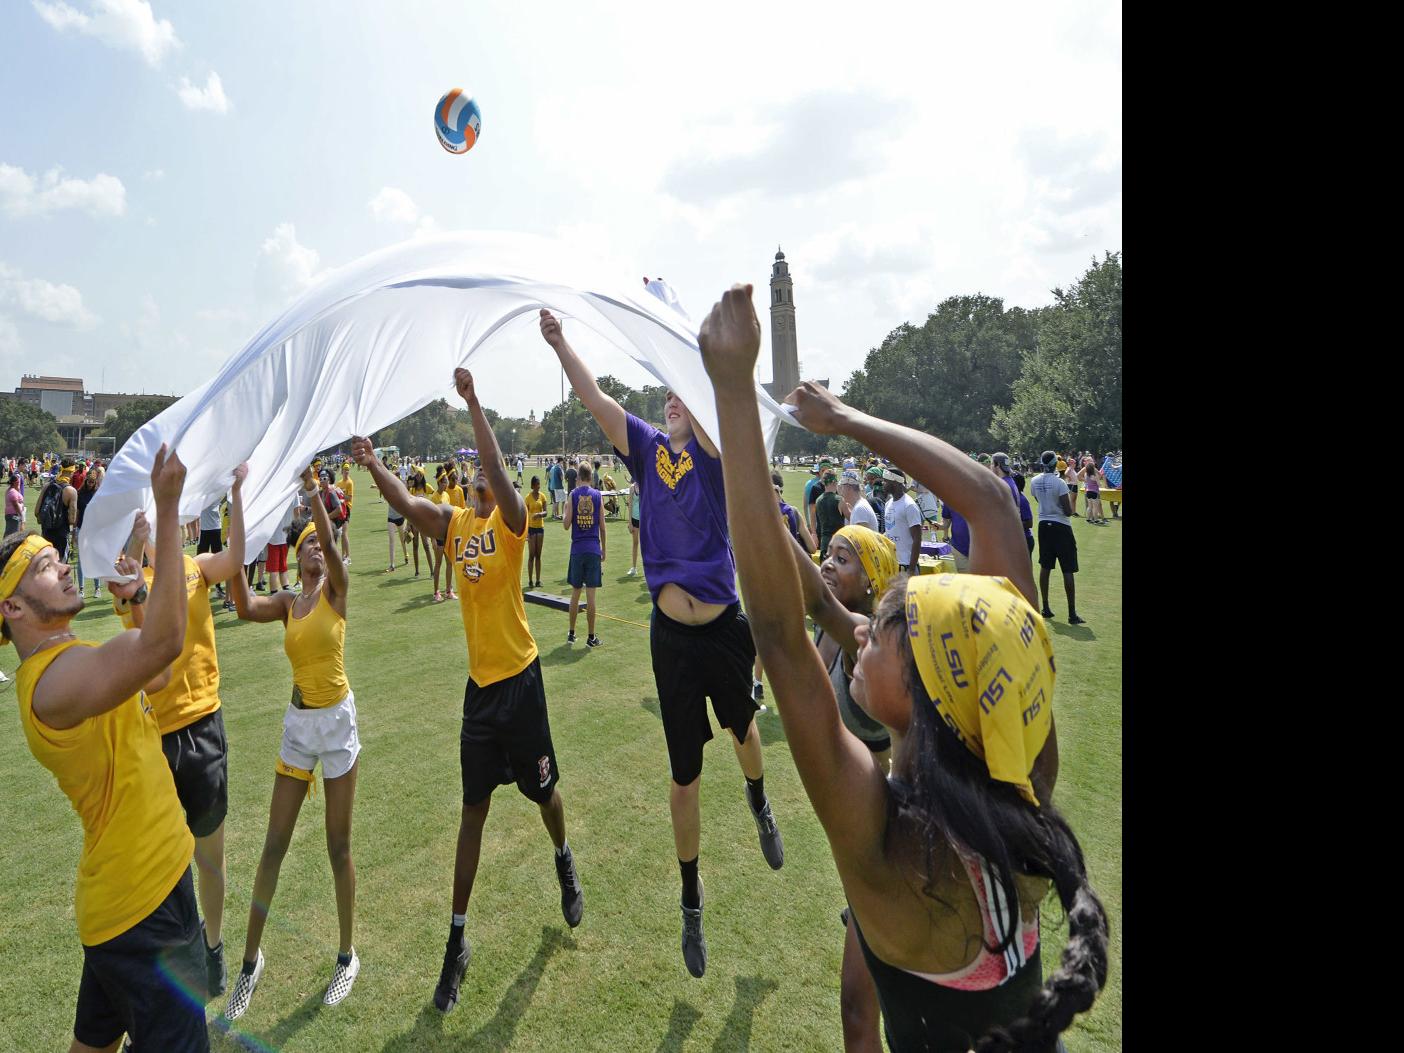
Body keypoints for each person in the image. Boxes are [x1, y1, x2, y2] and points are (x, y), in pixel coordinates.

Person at [697, 284, 1107, 1053]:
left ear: (923, 699)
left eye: (885, 631)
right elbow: (986, 505)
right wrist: (840, 420)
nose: (865, 634)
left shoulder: (893, 857)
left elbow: (781, 636)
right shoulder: (1018, 771)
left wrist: (729, 391)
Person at [541, 307, 781, 980]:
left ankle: (760, 800)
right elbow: (596, 399)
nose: (672, 400)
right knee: (684, 777)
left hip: (726, 625)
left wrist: (696, 372)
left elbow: (711, 409)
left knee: (744, 732)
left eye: (682, 393)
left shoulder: (710, 448)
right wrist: (563, 345)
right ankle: (691, 900)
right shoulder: (645, 447)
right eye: (666, 393)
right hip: (672, 636)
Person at [350, 366, 584, 1016]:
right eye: (477, 478)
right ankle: (456, 942)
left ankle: (563, 857)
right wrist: (372, 462)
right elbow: (406, 503)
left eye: (487, 476)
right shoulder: (455, 526)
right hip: (481, 695)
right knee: (472, 811)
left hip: (524, 684)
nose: (481, 482)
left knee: (545, 793)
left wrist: (476, 402)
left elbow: (501, 472)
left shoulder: (508, 527)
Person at [4, 445, 213, 1051]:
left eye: (56, 557)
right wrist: (167, 511)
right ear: (12, 607)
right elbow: (166, 645)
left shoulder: (71, 655)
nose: (65, 566)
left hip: (128, 897)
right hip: (144, 909)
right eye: (45, 567)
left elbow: (158, 678)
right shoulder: (51, 682)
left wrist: (132, 595)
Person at [223, 466, 361, 1019]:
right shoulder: (287, 602)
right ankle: (250, 962)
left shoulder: (338, 592)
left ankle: (347, 955)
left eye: (322, 550)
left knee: (337, 848)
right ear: (298, 557)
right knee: (273, 846)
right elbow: (240, 605)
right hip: (299, 727)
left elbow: (330, 537)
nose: (317, 555)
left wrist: (311, 492)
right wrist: (236, 537)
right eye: (308, 549)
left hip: (337, 725)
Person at [113, 465, 252, 1003]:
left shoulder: (196, 569)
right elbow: (152, 652)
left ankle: (213, 948)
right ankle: (180, 956)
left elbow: (237, 559)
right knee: (166, 864)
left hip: (206, 728)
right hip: (161, 737)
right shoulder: (135, 586)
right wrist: (134, 561)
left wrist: (238, 493)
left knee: (209, 856)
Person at [1030, 452, 1084, 624]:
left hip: (1044, 525)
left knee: (1045, 566)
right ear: (1055, 464)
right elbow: (1068, 511)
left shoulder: (1034, 481)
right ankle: (1072, 614)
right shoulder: (1059, 482)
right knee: (1067, 569)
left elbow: (1038, 499)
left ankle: (1045, 607)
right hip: (1061, 526)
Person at [563, 463, 606, 647]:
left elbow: (566, 525)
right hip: (593, 548)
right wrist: (604, 549)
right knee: (591, 597)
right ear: (591, 477)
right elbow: (602, 527)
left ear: (578, 477)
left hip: (577, 549)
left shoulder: (573, 495)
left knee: (575, 594)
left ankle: (571, 634)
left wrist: (567, 508)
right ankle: (591, 637)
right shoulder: (597, 496)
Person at [881, 469, 923, 573]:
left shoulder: (909, 505)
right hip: (892, 564)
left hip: (906, 566)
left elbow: (917, 539)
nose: (883, 483)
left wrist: (911, 570)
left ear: (895, 482)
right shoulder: (888, 504)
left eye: (886, 481)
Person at [37, 458, 78, 564]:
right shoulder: (71, 491)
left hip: (46, 532)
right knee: (61, 568)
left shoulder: (47, 486)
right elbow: (72, 520)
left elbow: (37, 511)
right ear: (71, 472)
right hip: (61, 534)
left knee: (47, 567)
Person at [524, 475, 548, 590]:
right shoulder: (528, 498)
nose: (538, 486)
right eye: (537, 484)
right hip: (531, 529)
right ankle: (530, 580)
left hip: (540, 528)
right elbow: (525, 515)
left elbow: (546, 512)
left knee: (538, 555)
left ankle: (538, 580)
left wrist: (539, 514)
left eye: (539, 484)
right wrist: (526, 532)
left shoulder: (542, 496)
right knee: (531, 555)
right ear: (533, 485)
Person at [814, 468, 844, 559]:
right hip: (838, 543)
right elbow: (852, 517)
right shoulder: (839, 500)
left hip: (824, 543)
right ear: (834, 482)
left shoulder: (818, 500)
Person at [339, 463, 356, 564]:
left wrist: (341, 494)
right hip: (340, 509)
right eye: (345, 470)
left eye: (348, 470)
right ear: (342, 471)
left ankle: (348, 557)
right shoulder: (339, 483)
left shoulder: (350, 483)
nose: (346, 471)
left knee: (344, 533)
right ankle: (343, 555)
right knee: (341, 534)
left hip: (347, 508)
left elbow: (349, 497)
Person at [1080, 459, 1104, 525]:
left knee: (1089, 506)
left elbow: (1087, 481)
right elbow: (1099, 484)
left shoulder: (1085, 474)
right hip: (1094, 492)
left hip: (1088, 491)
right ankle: (1096, 520)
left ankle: (1088, 519)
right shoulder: (1094, 475)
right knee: (1095, 507)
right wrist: (1100, 478)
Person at [627, 480, 642, 576]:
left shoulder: (646, 486)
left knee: (646, 545)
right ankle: (634, 567)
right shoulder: (632, 488)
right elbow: (630, 505)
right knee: (635, 543)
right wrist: (630, 522)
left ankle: (648, 568)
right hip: (635, 518)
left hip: (645, 519)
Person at [5, 471, 25, 537]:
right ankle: (6, 546)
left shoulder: (12, 490)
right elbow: (15, 505)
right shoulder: (12, 492)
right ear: (14, 482)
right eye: (18, 482)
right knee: (12, 534)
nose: (19, 483)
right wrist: (21, 515)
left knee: (12, 532)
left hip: (13, 515)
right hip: (13, 515)